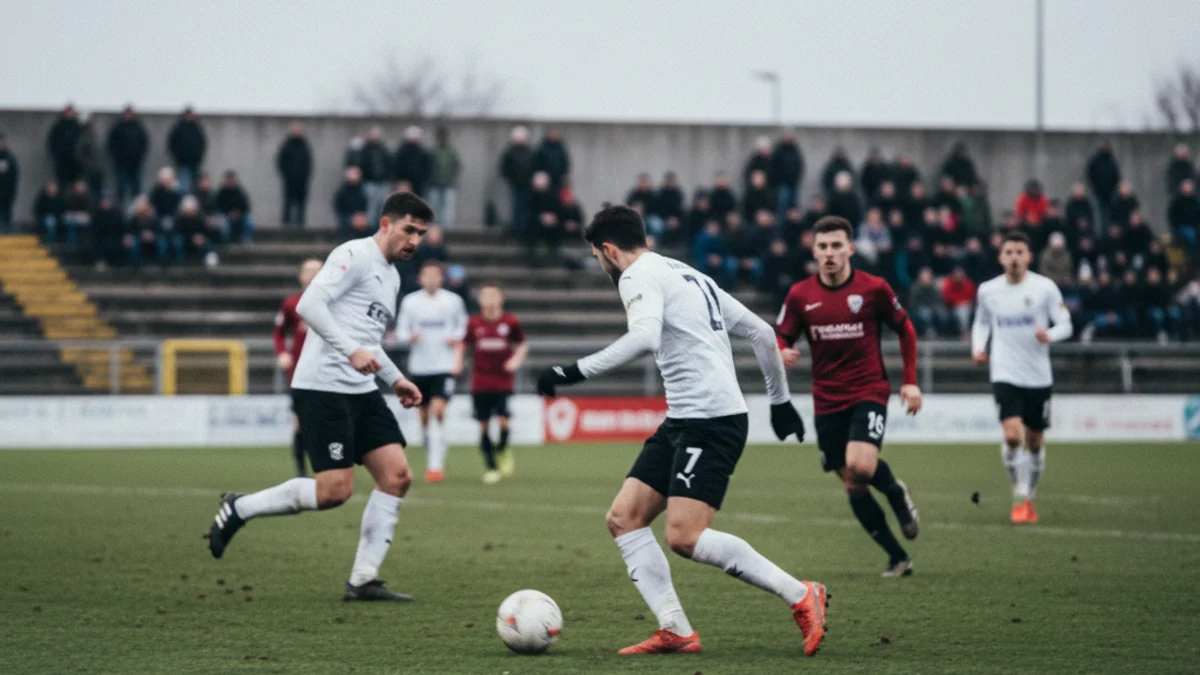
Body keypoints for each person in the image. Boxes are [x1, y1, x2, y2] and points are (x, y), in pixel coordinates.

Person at [534, 204, 827, 657]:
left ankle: (801, 594)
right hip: (686, 418)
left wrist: (571, 372)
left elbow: (645, 337)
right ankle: (676, 629)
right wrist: (781, 402)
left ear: (608, 250)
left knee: (684, 537)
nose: (601, 264)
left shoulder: (636, 276)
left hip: (709, 421)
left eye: (598, 257)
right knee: (624, 519)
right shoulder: (686, 272)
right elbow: (763, 333)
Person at [207, 192, 432, 604]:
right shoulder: (354, 254)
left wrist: (396, 379)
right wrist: (351, 351)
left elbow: (370, 343)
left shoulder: (393, 277)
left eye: (421, 233)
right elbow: (310, 304)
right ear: (386, 224)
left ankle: (363, 580)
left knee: (397, 476)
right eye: (408, 230)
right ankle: (240, 507)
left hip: (361, 390)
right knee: (333, 492)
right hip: (322, 386)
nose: (415, 240)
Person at [776, 216, 922, 577]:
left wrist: (911, 381)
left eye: (837, 245)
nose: (830, 253)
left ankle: (896, 493)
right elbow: (781, 336)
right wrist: (780, 351)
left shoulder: (874, 289)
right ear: (814, 250)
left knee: (861, 466)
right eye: (823, 246)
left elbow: (905, 330)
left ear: (851, 249)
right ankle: (896, 556)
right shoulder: (800, 295)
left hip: (868, 389)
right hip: (826, 400)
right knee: (852, 485)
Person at [971, 231, 1073, 525]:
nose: (1014, 258)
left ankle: (1030, 492)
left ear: (1029, 257)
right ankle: (1020, 492)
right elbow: (981, 323)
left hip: (1038, 375)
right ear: (1000, 257)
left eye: (1019, 252)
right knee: (1012, 435)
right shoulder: (988, 291)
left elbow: (1066, 324)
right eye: (1009, 252)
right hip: (1004, 371)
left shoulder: (1045, 288)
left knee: (1036, 441)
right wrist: (979, 348)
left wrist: (1049, 335)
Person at [395, 261, 469, 483]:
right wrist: (409, 337)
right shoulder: (410, 302)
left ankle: (435, 466)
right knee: (425, 418)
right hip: (420, 366)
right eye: (426, 275)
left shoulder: (453, 301)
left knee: (438, 411)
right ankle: (434, 453)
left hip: (444, 366)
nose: (431, 279)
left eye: (435, 275)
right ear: (420, 278)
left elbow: (463, 326)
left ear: (441, 278)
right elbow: (400, 330)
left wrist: (455, 337)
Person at [454, 282, 528, 484]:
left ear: (500, 298)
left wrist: (515, 360)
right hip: (480, 381)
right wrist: (458, 362)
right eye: (485, 295)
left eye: (493, 295)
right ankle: (491, 466)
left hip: (503, 381)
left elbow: (521, 344)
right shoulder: (474, 323)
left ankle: (503, 449)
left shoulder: (510, 322)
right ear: (479, 299)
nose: (489, 299)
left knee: (504, 420)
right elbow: (462, 344)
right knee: (484, 425)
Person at [272, 258, 324, 477]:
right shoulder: (292, 304)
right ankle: (301, 470)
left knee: (326, 422)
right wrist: (283, 353)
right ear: (300, 276)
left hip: (329, 372)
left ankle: (327, 466)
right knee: (301, 422)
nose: (312, 274)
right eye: (308, 270)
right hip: (301, 374)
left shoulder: (335, 302)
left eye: (317, 270)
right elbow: (278, 332)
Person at [106, 105, 150, 205]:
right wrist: (117, 157)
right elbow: (111, 144)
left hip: (135, 163)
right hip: (121, 164)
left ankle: (136, 209)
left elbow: (144, 143)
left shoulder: (138, 127)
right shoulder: (118, 128)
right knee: (120, 189)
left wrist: (139, 157)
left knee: (136, 190)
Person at [500, 126, 535, 238]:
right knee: (517, 207)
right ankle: (517, 229)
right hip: (516, 184)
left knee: (526, 207)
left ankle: (525, 229)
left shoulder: (530, 152)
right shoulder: (509, 152)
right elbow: (504, 168)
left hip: (528, 184)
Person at [276, 122, 313, 227]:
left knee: (301, 203)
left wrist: (305, 175)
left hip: (302, 180)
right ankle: (286, 223)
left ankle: (300, 224)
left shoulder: (305, 146)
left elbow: (308, 163)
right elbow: (281, 162)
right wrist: (286, 174)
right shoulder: (287, 146)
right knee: (288, 202)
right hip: (289, 180)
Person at [167, 107, 206, 193]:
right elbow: (172, 144)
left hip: (195, 162)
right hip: (182, 163)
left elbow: (202, 144)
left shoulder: (197, 129)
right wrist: (178, 157)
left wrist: (198, 157)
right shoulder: (178, 129)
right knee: (183, 187)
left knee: (195, 187)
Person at [427, 126, 460, 227]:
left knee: (448, 209)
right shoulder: (432, 152)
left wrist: (451, 179)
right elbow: (428, 167)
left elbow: (456, 167)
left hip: (448, 184)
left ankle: (448, 229)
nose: (442, 138)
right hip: (434, 184)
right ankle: (434, 229)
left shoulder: (451, 152)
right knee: (434, 208)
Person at [46, 104, 82, 186]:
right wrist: (56, 156)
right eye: (68, 112)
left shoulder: (78, 127)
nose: (69, 114)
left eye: (71, 112)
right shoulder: (58, 126)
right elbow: (52, 143)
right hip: (61, 162)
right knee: (62, 184)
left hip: (75, 163)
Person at [215, 171, 254, 243]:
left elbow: (246, 207)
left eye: (231, 180)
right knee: (223, 222)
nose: (230, 182)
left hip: (239, 215)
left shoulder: (240, 192)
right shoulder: (221, 192)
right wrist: (228, 213)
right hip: (225, 215)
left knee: (250, 221)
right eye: (228, 180)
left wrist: (238, 213)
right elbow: (218, 206)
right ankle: (226, 241)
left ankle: (246, 240)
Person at [393, 126, 431, 197]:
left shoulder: (422, 151)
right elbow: (396, 166)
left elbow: (427, 167)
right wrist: (400, 181)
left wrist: (424, 180)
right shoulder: (402, 151)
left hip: (419, 184)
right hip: (404, 183)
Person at [533, 127, 571, 191]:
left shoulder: (560, 147)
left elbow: (565, 161)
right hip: (545, 179)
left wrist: (565, 174)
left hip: (558, 178)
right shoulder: (542, 147)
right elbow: (537, 162)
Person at [0, 133, 18, 232]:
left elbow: (14, 176)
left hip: (6, 193)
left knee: (5, 214)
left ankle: (6, 231)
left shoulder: (9, 158)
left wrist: (11, 191)